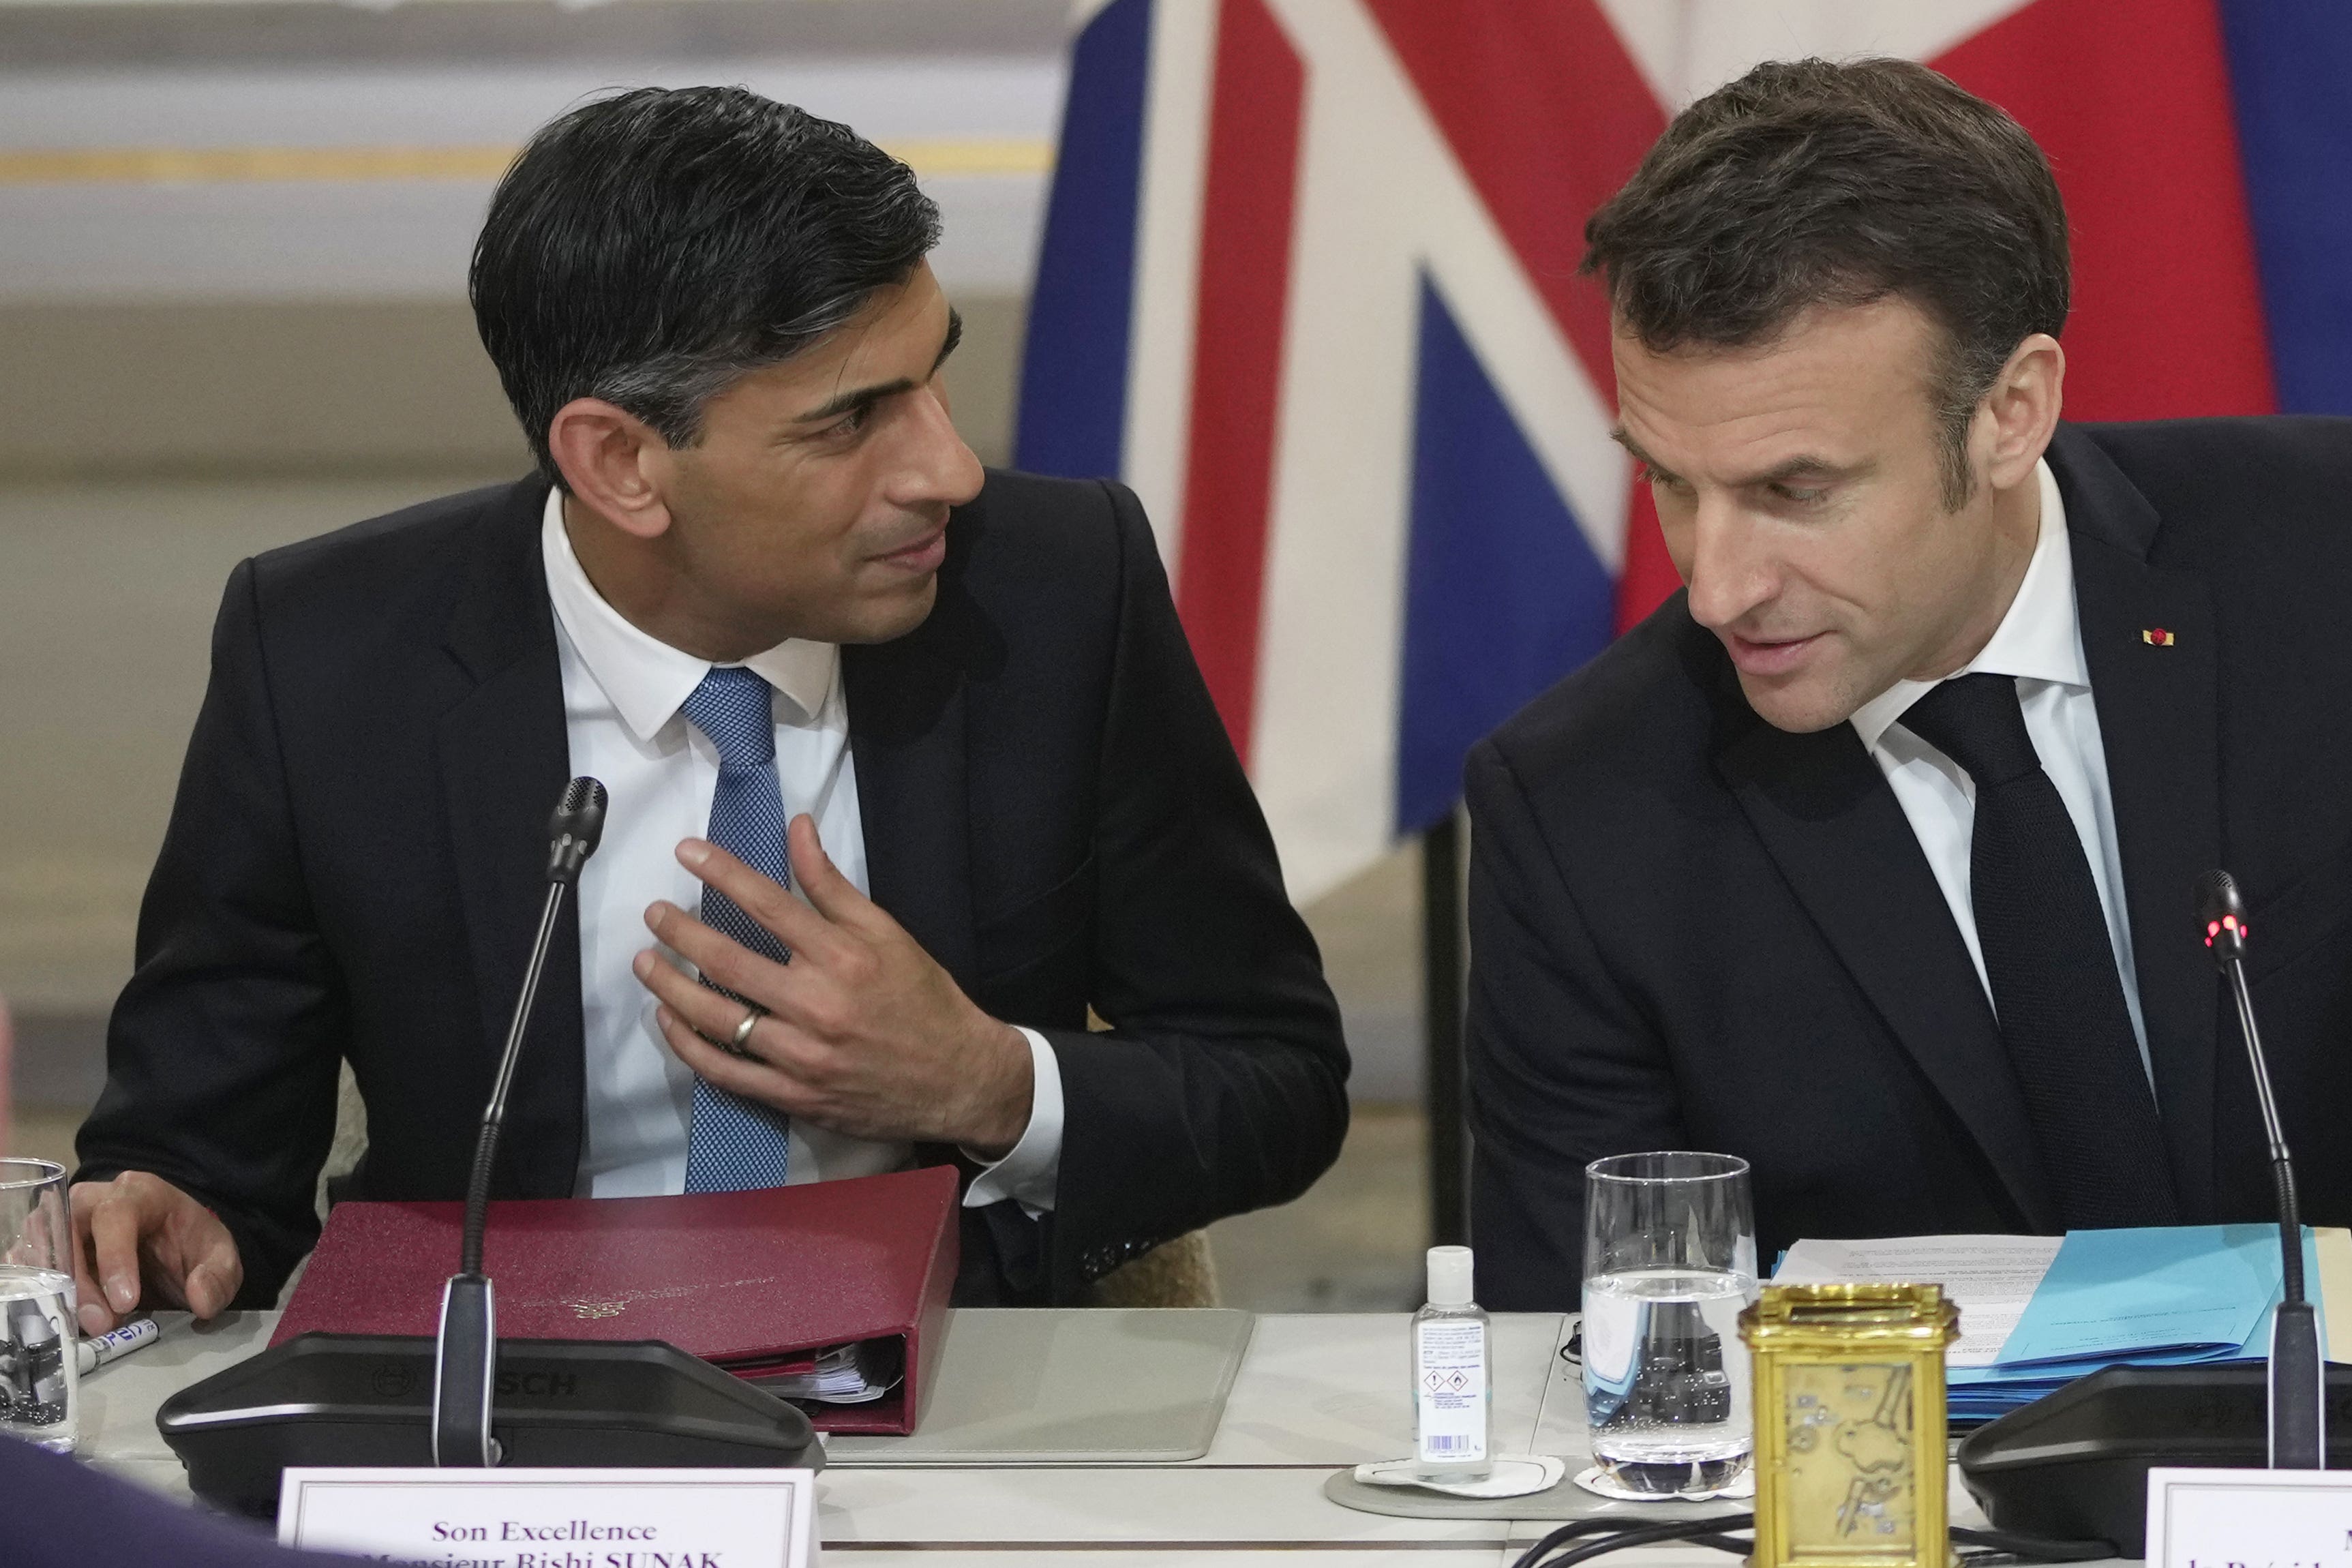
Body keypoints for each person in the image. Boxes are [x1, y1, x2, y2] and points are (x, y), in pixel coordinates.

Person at [70, 87, 1348, 1327]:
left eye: (931, 380)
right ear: (621, 463)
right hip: (498, 1405)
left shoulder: (1060, 590)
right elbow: (200, 1153)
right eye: (851, 421)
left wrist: (989, 1081)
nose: (948, 468)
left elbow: (1276, 1083)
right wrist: (168, 1218)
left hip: (947, 1390)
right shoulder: (332, 657)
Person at [1466, 57, 2352, 1307]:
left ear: (2009, 411)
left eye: (1795, 491)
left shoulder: (2325, 574)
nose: (1716, 587)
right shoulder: (1582, 813)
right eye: (1669, 480)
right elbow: (1588, 1359)